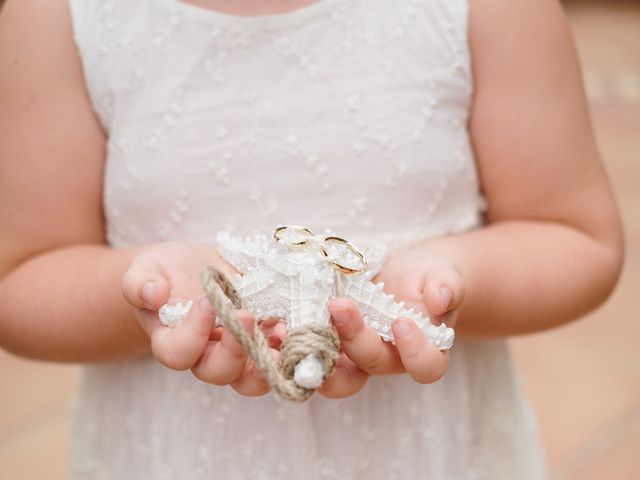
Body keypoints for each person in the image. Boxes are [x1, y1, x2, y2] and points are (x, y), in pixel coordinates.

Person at [0, 0, 623, 478]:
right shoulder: (56, 16)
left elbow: (579, 237)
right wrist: (148, 293)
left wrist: (447, 279)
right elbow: (19, 277)